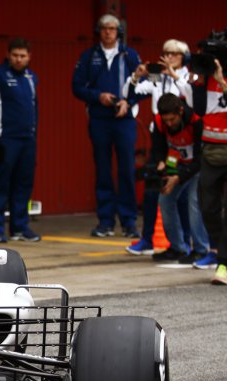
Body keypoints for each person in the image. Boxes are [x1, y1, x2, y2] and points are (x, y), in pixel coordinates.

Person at [123, 39, 199, 256]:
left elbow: (192, 99)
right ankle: (147, 239)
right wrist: (136, 76)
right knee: (152, 189)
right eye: (166, 53)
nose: (169, 57)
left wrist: (174, 75)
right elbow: (131, 94)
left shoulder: (189, 77)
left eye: (175, 53)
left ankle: (184, 242)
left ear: (184, 57)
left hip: (183, 137)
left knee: (182, 194)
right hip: (160, 137)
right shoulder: (158, 77)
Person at [72, 14, 142, 238]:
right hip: (99, 119)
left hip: (124, 120)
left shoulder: (129, 55)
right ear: (98, 31)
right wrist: (97, 96)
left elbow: (144, 84)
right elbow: (77, 86)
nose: (108, 32)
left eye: (112, 28)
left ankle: (129, 222)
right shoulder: (89, 56)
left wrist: (128, 102)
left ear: (118, 32)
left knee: (127, 170)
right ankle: (105, 221)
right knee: (102, 169)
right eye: (104, 28)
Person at [0, 37, 40, 243]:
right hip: (5, 140)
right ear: (8, 55)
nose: (18, 59)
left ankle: (19, 228)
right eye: (15, 55)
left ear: (29, 56)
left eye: (23, 56)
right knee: (0, 184)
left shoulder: (32, 77)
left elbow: (34, 107)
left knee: (24, 184)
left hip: (27, 140)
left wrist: (34, 133)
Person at [195, 59, 227, 287]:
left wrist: (224, 84)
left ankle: (224, 263)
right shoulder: (205, 79)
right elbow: (197, 109)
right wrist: (197, 81)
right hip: (211, 150)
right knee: (207, 207)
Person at [148, 94, 210, 264]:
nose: (169, 124)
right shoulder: (159, 122)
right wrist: (161, 164)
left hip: (198, 166)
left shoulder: (196, 121)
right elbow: (159, 147)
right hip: (175, 162)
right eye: (166, 120)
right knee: (165, 200)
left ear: (180, 112)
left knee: (194, 203)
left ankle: (201, 249)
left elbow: (200, 158)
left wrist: (178, 178)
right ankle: (177, 247)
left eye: (172, 119)